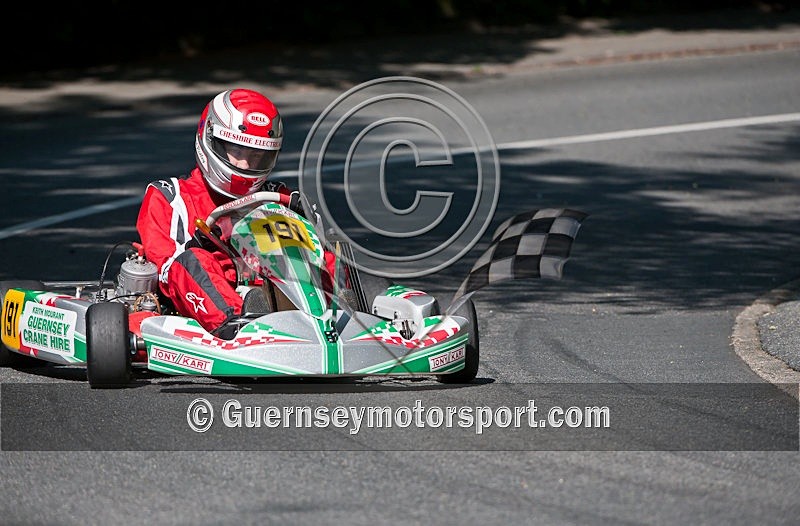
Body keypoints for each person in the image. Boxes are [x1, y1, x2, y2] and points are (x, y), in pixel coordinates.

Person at [136, 88, 331, 337]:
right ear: (211, 140)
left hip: (279, 298)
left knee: (329, 257)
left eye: (257, 155)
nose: (245, 164)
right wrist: (201, 242)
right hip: (208, 309)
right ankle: (240, 328)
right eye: (237, 152)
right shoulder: (171, 196)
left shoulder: (277, 196)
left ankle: (346, 320)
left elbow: (312, 252)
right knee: (190, 261)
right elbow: (167, 271)